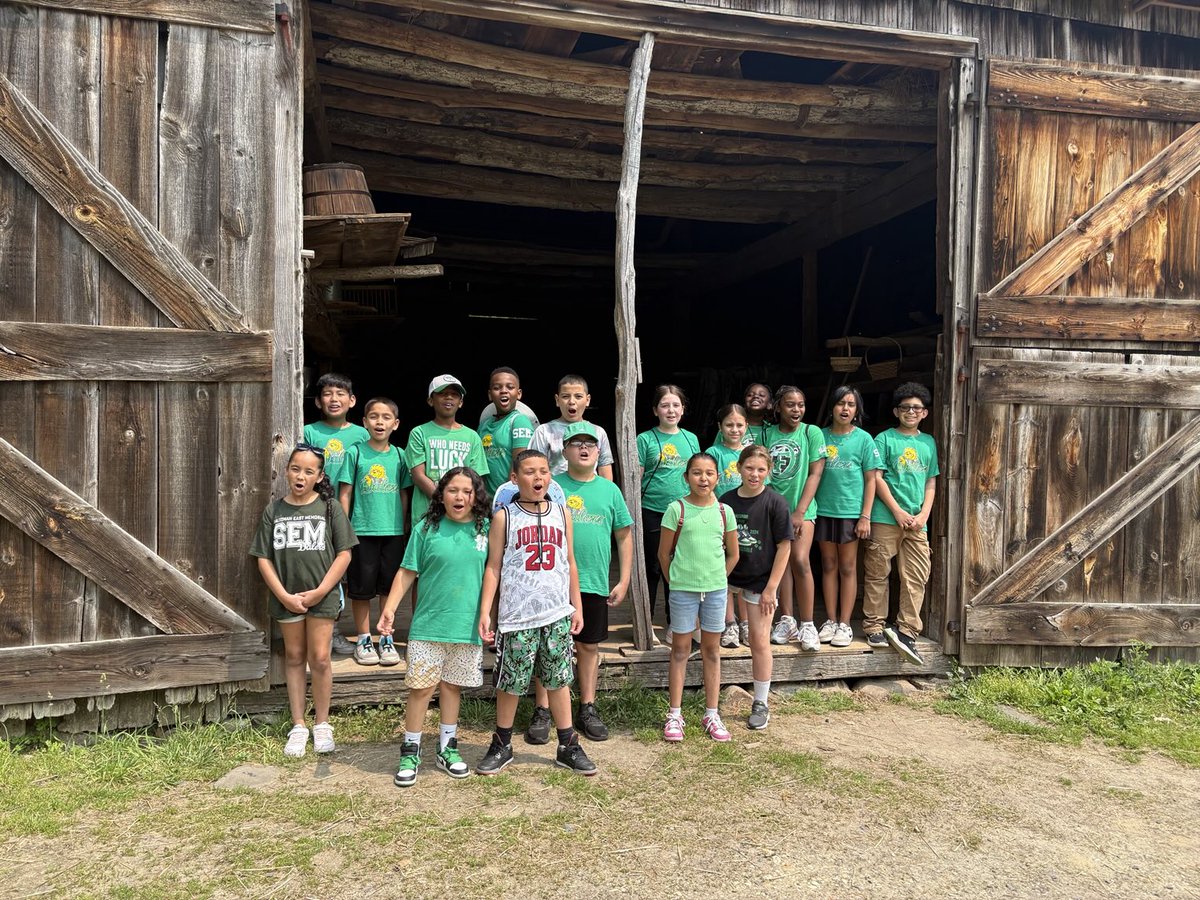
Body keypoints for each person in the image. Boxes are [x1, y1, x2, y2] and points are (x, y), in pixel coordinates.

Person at [476, 450, 596, 776]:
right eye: (529, 472)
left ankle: (568, 743)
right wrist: (487, 610)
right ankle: (502, 743)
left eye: (543, 471)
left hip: (556, 611)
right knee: (511, 681)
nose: (538, 478)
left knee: (558, 678)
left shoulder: (561, 513)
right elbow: (494, 567)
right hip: (517, 614)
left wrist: (577, 605)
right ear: (515, 478)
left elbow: (569, 561)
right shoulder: (505, 516)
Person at [377, 468, 491, 787]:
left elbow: (494, 574)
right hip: (429, 625)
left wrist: (489, 614)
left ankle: (447, 748)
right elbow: (406, 572)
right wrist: (389, 609)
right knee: (421, 688)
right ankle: (410, 750)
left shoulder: (485, 529)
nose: (460, 497)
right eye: (453, 490)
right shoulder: (427, 528)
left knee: (452, 687)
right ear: (441, 494)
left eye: (467, 492)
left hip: (466, 627)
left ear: (475, 496)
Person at [250, 443, 356, 758]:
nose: (300, 475)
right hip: (287, 597)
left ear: (319, 476)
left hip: (321, 597)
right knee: (294, 657)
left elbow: (345, 553)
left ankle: (322, 723)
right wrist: (282, 594)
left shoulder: (329, 508)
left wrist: (322, 590)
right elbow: (263, 558)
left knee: (320, 658)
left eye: (309, 471)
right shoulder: (274, 510)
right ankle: (298, 724)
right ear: (286, 471)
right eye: (295, 468)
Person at [534, 422, 634, 743]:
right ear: (564, 452)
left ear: (598, 451)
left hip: (593, 580)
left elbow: (624, 535)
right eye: (576, 444)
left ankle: (587, 706)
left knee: (588, 645)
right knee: (547, 646)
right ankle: (542, 709)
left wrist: (624, 578)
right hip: (551, 580)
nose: (584, 448)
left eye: (589, 444)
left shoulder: (610, 490)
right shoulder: (551, 486)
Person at [658, 453, 739, 743]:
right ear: (686, 477)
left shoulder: (723, 512)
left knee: (712, 650)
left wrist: (718, 578)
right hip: (682, 590)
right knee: (679, 649)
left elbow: (733, 553)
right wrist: (676, 582)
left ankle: (712, 712)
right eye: (696, 473)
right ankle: (675, 713)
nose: (703, 479)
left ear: (717, 477)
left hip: (716, 591)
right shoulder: (676, 509)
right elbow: (664, 554)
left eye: (709, 473)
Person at [863, 383, 939, 666]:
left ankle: (906, 630)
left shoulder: (928, 442)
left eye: (916, 408)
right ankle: (873, 626)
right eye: (905, 407)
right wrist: (896, 511)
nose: (911, 412)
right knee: (878, 572)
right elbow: (878, 478)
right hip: (887, 517)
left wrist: (923, 516)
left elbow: (931, 482)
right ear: (896, 411)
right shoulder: (884, 439)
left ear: (925, 413)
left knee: (916, 576)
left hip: (918, 522)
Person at [723, 446, 793, 730]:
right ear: (739, 467)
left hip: (760, 580)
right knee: (714, 637)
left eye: (761, 470)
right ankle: (712, 703)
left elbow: (784, 546)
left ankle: (761, 702)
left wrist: (771, 588)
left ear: (769, 471)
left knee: (759, 640)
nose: (755, 474)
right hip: (727, 578)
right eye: (749, 468)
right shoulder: (726, 501)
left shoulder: (776, 503)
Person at [337, 397, 411, 667]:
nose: (380, 422)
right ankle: (364, 637)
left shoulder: (400, 455)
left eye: (386, 417)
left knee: (388, 587)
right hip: (362, 531)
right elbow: (345, 493)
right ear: (364, 421)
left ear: (396, 423)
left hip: (392, 532)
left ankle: (386, 636)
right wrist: (344, 528)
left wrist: (403, 525)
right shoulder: (355, 453)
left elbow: (404, 493)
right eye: (374, 417)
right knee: (361, 588)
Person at [302, 372, 369, 657]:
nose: (334, 399)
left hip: (350, 513)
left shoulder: (362, 434)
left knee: (343, 573)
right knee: (317, 570)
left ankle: (335, 631)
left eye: (341, 394)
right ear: (317, 401)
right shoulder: (310, 432)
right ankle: (322, 634)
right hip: (317, 510)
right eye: (328, 394)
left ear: (352, 401)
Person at [814, 387, 881, 649]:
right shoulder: (820, 436)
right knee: (828, 565)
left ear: (857, 410)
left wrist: (865, 516)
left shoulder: (864, 439)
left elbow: (871, 480)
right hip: (823, 510)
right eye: (841, 403)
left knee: (848, 567)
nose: (845, 409)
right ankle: (830, 621)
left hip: (851, 513)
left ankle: (845, 624)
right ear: (831, 407)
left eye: (851, 404)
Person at [764, 386, 826, 651]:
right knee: (782, 564)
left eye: (801, 404)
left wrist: (800, 511)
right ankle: (787, 619)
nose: (796, 410)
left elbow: (815, 473)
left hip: (803, 510)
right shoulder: (768, 434)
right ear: (778, 407)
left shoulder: (811, 432)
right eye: (790, 405)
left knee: (800, 561)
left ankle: (808, 623)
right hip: (774, 509)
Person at [637, 385, 702, 630]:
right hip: (652, 510)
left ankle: (676, 624)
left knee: (679, 566)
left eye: (676, 405)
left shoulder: (691, 438)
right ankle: (646, 625)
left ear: (683, 409)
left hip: (684, 511)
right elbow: (636, 477)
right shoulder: (644, 439)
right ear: (655, 410)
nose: (671, 410)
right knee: (653, 567)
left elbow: (699, 475)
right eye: (665, 405)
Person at [406, 374, 489, 527]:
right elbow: (418, 476)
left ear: (461, 402)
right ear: (430, 400)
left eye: (454, 394)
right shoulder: (419, 433)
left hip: (463, 516)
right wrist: (446, 501)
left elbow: (477, 480)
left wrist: (457, 504)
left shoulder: (472, 437)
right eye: (443, 394)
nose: (449, 397)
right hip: (427, 516)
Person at [706, 403, 749, 647]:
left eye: (739, 425)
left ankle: (746, 623)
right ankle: (729, 623)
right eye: (729, 425)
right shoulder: (714, 452)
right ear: (720, 427)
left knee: (744, 571)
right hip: (720, 518)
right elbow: (707, 482)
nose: (734, 430)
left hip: (747, 519)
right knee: (724, 572)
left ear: (746, 426)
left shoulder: (752, 451)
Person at [529, 374, 614, 480]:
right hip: (556, 493)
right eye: (565, 396)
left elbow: (604, 469)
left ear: (587, 400)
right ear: (557, 400)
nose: (572, 402)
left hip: (589, 492)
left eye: (578, 396)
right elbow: (534, 467)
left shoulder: (598, 432)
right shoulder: (544, 431)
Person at [478, 367, 535, 500]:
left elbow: (519, 463)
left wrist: (505, 497)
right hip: (485, 501)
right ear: (490, 394)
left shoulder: (519, 421)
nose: (504, 391)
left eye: (510, 387)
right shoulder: (483, 426)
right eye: (497, 388)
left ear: (519, 393)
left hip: (509, 499)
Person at [743, 382, 773, 447]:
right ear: (744, 403)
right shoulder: (733, 426)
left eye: (761, 395)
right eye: (750, 395)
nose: (755, 396)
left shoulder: (772, 430)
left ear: (770, 404)